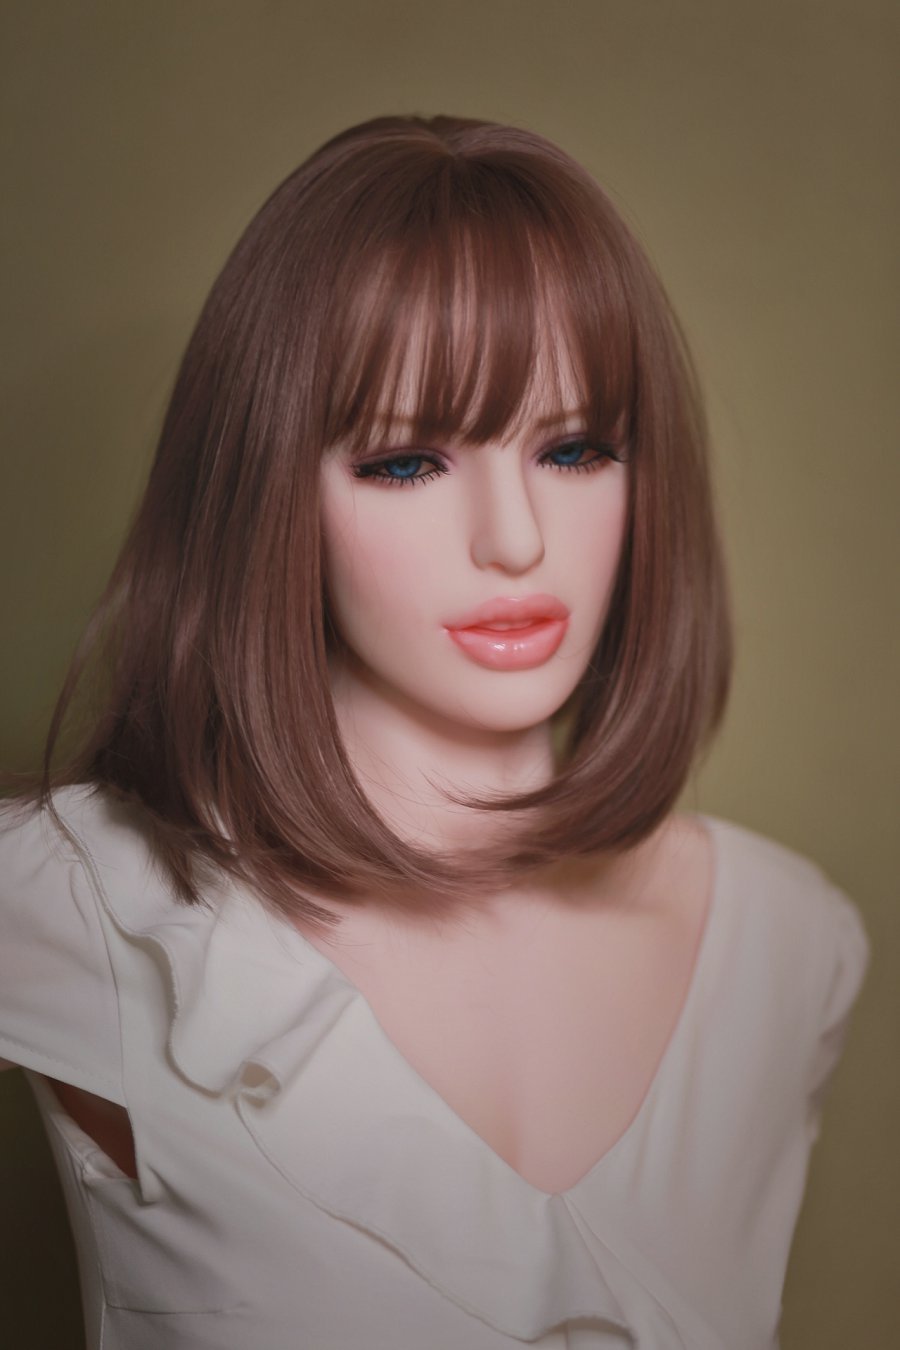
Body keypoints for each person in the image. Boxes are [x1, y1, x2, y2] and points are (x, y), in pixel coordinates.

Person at [0, 114, 869, 1350]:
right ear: (265, 488)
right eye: (407, 463)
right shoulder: (66, 903)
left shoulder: (789, 947)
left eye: (576, 449)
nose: (516, 539)